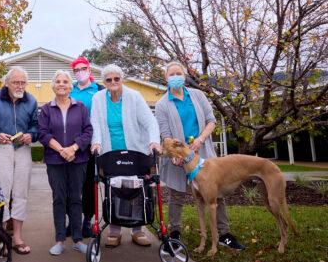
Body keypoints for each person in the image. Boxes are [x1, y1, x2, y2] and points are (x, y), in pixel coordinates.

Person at [154, 61, 245, 250]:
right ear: (166, 78)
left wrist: (201, 139)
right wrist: (174, 154)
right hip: (178, 155)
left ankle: (224, 234)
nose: (175, 77)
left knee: (216, 195)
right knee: (177, 194)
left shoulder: (197, 95)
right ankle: (175, 233)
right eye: (171, 74)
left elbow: (211, 121)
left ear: (185, 75)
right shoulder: (163, 104)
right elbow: (165, 134)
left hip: (203, 153)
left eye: (179, 73)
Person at [90, 64, 161, 248]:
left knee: (136, 188)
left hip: (135, 150)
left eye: (116, 79)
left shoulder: (134, 96)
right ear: (103, 82)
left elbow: (150, 121)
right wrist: (96, 142)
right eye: (108, 79)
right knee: (113, 188)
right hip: (110, 152)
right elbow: (95, 124)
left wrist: (154, 141)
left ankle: (138, 231)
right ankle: (114, 232)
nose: (113, 82)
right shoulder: (98, 98)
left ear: (121, 79)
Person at [0, 66, 38, 255]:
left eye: (22, 82)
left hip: (22, 149)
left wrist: (31, 135)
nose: (20, 86)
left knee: (21, 192)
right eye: (15, 82)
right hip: (0, 147)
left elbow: (36, 125)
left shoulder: (31, 100)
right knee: (1, 193)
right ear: (7, 83)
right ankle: (1, 238)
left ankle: (17, 237)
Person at [38, 70, 93, 255]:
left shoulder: (81, 107)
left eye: (65, 81)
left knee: (76, 198)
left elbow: (88, 131)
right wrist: (61, 150)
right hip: (55, 161)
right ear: (53, 85)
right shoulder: (46, 109)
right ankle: (60, 240)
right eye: (58, 81)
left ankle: (78, 240)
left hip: (78, 160)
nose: (61, 84)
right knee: (59, 198)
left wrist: (73, 149)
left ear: (71, 86)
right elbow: (43, 133)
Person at [69, 56, 104, 238]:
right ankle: (72, 220)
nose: (79, 72)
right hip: (72, 145)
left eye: (83, 69)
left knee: (89, 186)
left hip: (91, 146)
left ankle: (87, 221)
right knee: (71, 186)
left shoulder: (99, 90)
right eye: (76, 70)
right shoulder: (69, 90)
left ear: (89, 70)